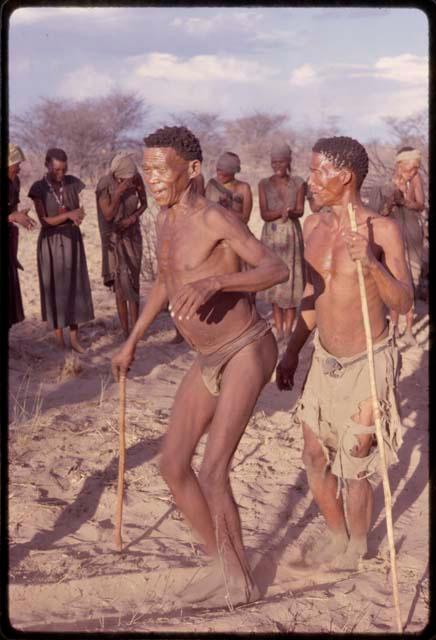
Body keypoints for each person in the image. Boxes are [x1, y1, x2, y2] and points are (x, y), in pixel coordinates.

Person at [112, 126, 288, 607]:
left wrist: (218, 284)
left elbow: (276, 268)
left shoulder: (216, 218)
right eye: (147, 169)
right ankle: (225, 565)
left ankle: (241, 583)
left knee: (213, 469)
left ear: (191, 170)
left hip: (246, 348)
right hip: (206, 356)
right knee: (173, 465)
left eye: (160, 169)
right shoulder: (165, 219)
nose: (152, 179)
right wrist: (132, 341)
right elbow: (168, 282)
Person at [276, 136, 412, 570]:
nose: (311, 180)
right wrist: (293, 351)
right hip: (324, 361)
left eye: (319, 172)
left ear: (345, 176)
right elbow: (313, 301)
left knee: (355, 461)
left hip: (368, 362)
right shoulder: (312, 227)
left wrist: (372, 264)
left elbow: (404, 302)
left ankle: (358, 547)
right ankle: (338, 538)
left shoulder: (383, 230)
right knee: (314, 457)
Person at [28, 148, 94, 352]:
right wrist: (68, 215)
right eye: (57, 169)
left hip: (73, 241)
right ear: (47, 165)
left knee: (75, 287)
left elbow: (79, 211)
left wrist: (77, 216)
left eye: (64, 169)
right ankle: (60, 340)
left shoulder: (73, 182)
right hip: (51, 242)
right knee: (56, 289)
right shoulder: (39, 188)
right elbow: (45, 221)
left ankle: (74, 339)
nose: (61, 174)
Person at [368, 147, 425, 346]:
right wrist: (391, 203)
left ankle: (409, 330)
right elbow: (378, 213)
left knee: (411, 281)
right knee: (394, 280)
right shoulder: (385, 185)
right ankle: (393, 328)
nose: (413, 173)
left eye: (416, 169)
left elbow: (420, 205)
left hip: (413, 237)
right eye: (410, 169)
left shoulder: (416, 180)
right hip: (393, 239)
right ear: (399, 165)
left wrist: (405, 201)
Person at [96, 152, 147, 338]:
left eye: (131, 177)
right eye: (125, 178)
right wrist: (117, 194)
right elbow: (108, 215)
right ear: (116, 175)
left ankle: (136, 330)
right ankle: (125, 331)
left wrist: (133, 217)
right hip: (113, 239)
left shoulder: (136, 178)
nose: (129, 180)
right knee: (119, 283)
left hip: (132, 235)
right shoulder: (104, 184)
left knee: (133, 281)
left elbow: (144, 204)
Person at [258, 142, 306, 340]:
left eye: (281, 161)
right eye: (274, 162)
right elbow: (264, 214)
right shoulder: (263, 184)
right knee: (275, 283)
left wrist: (291, 212)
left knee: (291, 282)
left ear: (289, 162)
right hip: (272, 237)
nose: (277, 165)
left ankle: (289, 329)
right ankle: (279, 330)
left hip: (292, 236)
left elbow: (301, 210)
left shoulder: (299, 182)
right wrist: (280, 212)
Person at [7, 144, 37, 329]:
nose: (19, 167)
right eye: (16, 163)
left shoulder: (15, 181)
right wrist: (12, 217)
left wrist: (19, 216)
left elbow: (12, 210)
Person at [205, 152, 253, 224]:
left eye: (224, 173)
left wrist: (227, 208)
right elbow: (204, 212)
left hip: (236, 230)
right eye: (218, 170)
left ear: (233, 172)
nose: (219, 175)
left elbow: (245, 219)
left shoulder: (244, 188)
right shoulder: (212, 184)